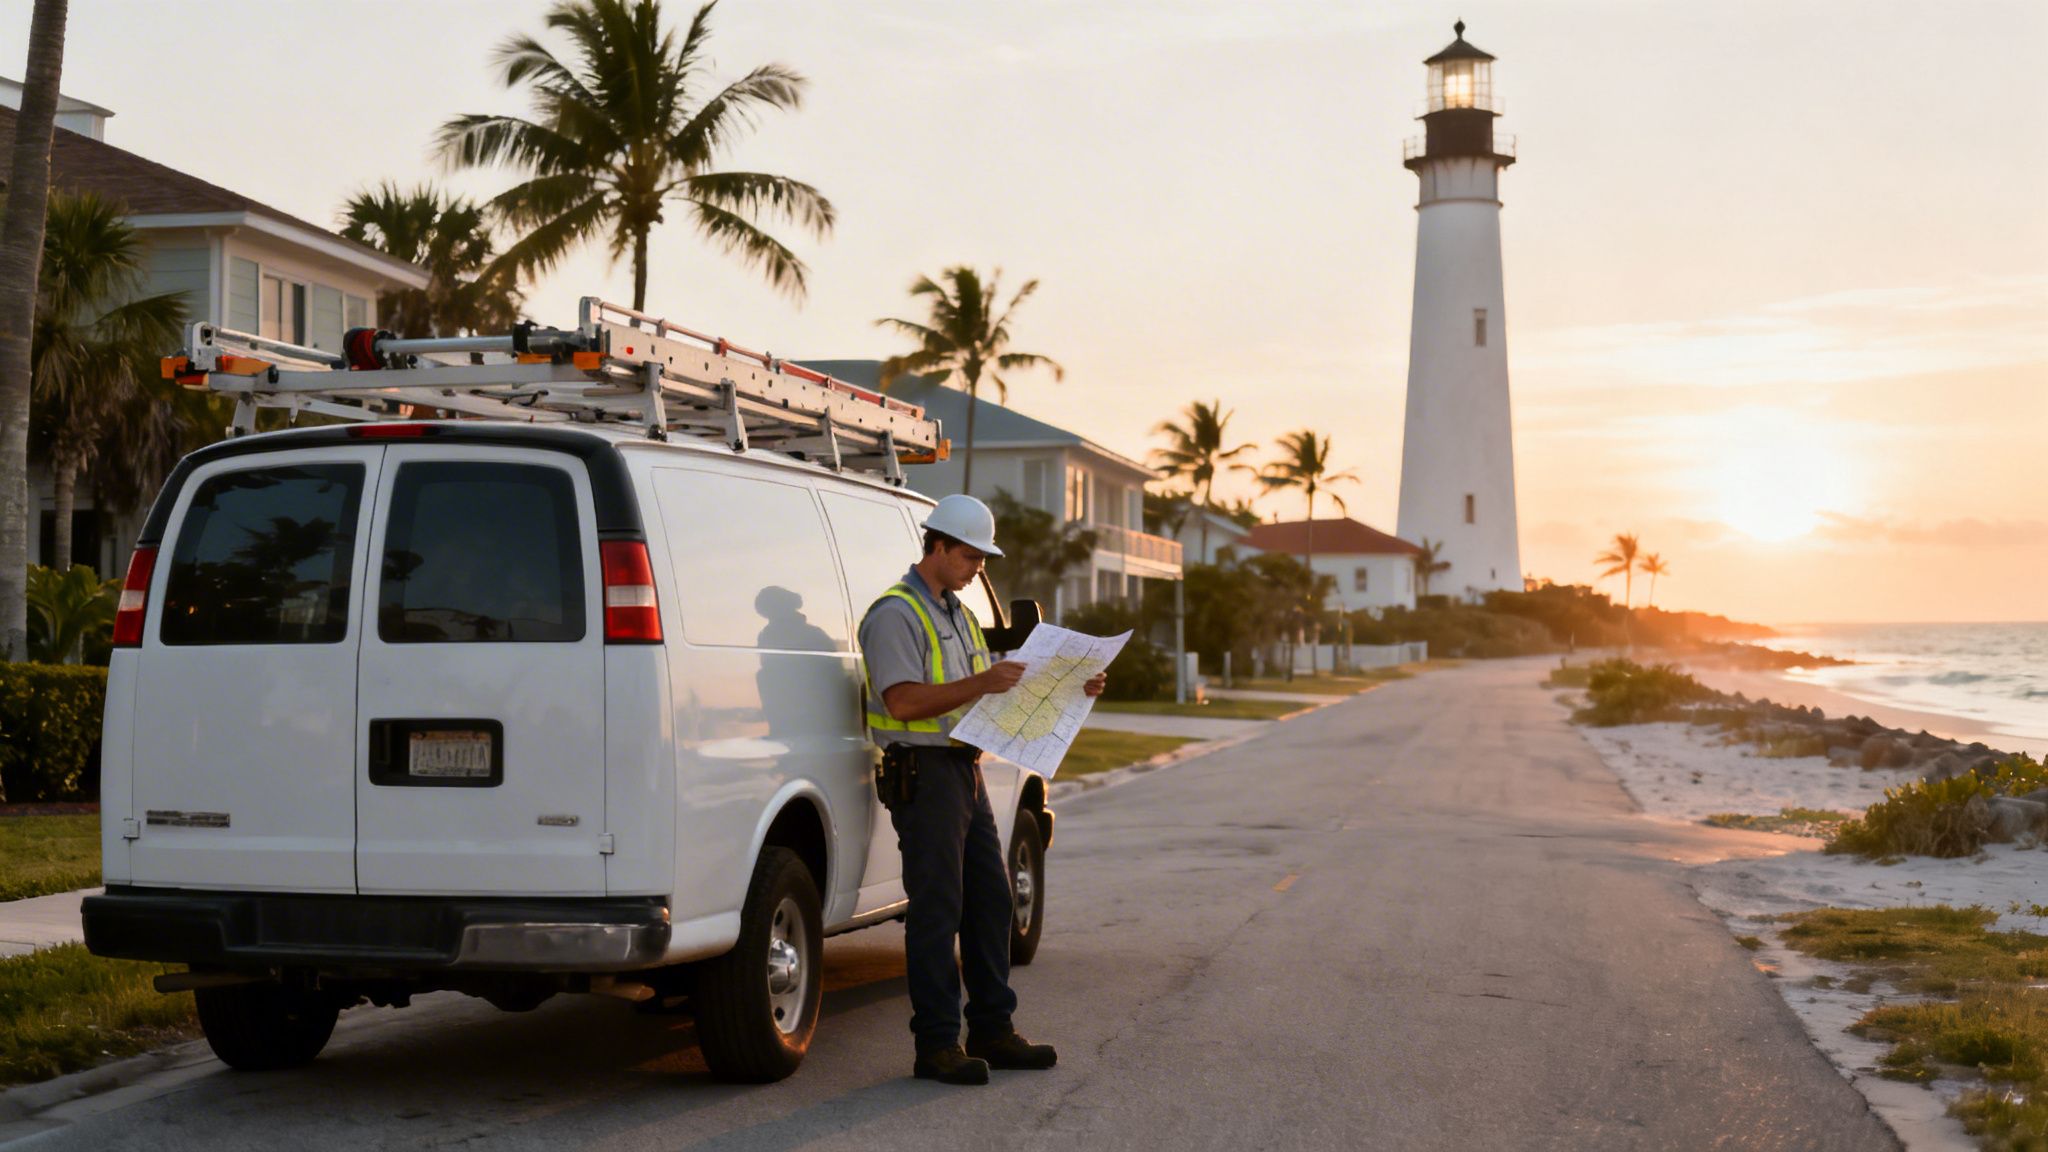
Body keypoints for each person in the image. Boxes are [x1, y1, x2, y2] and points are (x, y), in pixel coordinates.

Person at [859, 493, 1105, 1086]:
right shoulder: (895, 613)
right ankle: (937, 1046)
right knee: (938, 910)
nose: (978, 569)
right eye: (971, 556)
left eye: (983, 559)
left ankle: (993, 1030)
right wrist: (982, 681)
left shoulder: (957, 611)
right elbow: (903, 700)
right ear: (937, 546)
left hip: (963, 770)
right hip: (925, 774)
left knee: (991, 902)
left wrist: (1075, 685)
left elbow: (1001, 684)